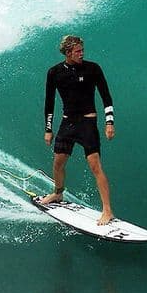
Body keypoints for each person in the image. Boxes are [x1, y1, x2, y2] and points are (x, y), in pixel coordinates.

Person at [41, 35, 116, 225]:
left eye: (82, 50)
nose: (82, 54)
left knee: (95, 166)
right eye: (78, 51)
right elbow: (49, 102)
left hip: (87, 123)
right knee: (58, 163)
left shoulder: (93, 69)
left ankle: (107, 211)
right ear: (68, 53)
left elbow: (106, 96)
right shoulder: (54, 72)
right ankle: (58, 194)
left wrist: (109, 122)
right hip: (68, 123)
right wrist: (48, 129)